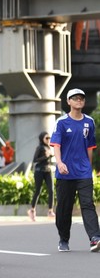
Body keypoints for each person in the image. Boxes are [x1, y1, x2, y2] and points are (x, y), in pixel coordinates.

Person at [50, 88, 100, 252]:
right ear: (68, 101)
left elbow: (90, 147)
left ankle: (95, 238)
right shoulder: (61, 122)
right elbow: (56, 145)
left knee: (88, 204)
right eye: (75, 98)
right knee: (64, 208)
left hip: (83, 172)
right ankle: (63, 239)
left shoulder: (89, 122)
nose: (79, 100)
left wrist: (89, 167)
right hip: (65, 173)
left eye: (81, 98)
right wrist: (59, 163)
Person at [28, 132, 54, 221]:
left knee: (51, 190)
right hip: (39, 171)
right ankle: (32, 210)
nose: (48, 140)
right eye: (46, 138)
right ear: (42, 139)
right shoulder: (39, 148)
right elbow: (35, 160)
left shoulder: (49, 147)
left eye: (49, 138)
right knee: (38, 190)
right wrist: (46, 157)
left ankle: (50, 211)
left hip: (48, 170)